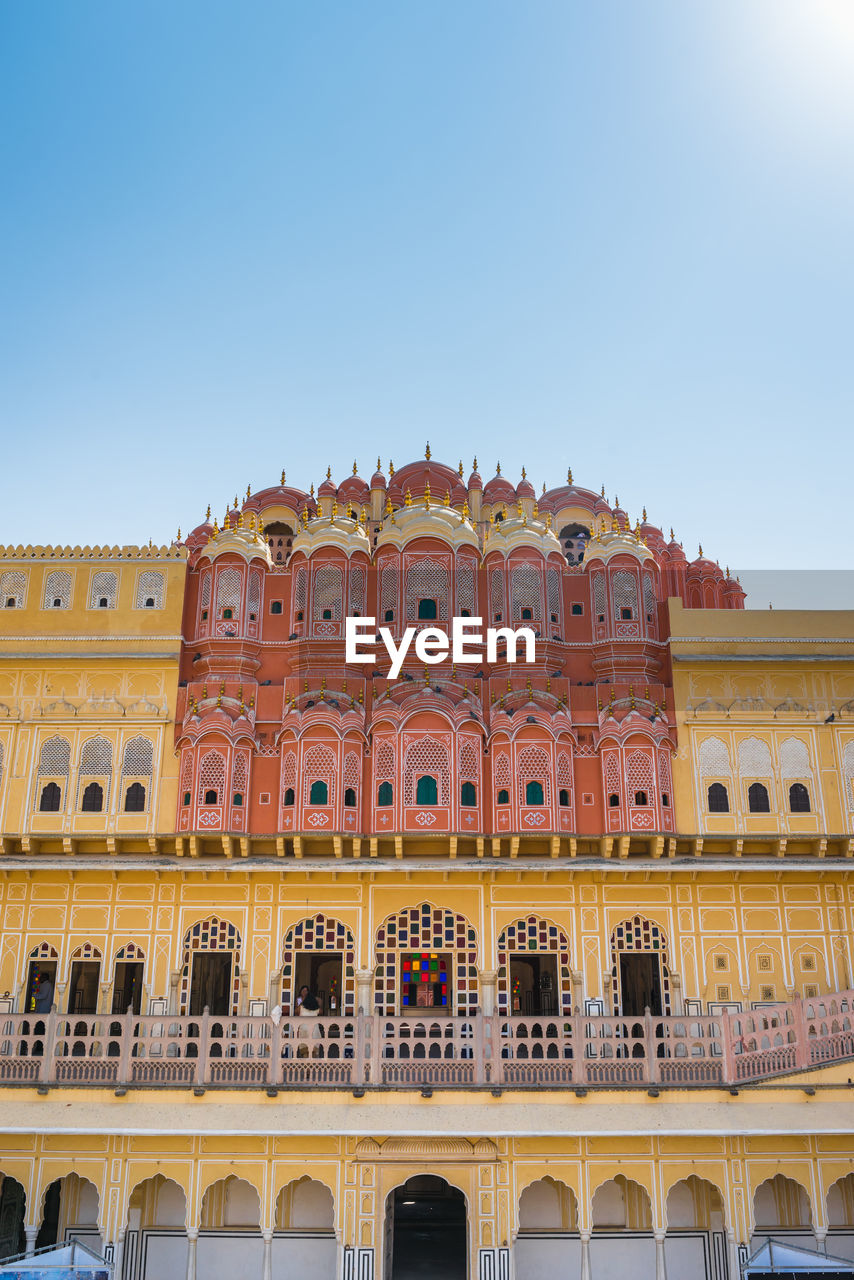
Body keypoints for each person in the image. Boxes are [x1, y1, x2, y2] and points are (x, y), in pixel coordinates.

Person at [296, 990, 321, 1058]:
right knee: (314, 1054)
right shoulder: (317, 1009)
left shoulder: (301, 1008)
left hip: (304, 1030)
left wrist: (301, 1002)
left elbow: (296, 1011)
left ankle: (306, 1067)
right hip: (314, 1031)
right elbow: (321, 1009)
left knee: (305, 1053)